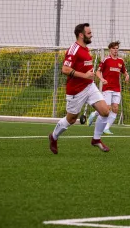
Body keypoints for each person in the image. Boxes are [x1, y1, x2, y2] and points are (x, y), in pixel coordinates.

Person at [48, 23, 112, 154]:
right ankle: (53, 137)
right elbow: (65, 69)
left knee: (105, 111)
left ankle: (96, 139)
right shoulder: (74, 49)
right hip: (76, 91)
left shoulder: (86, 49)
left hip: (89, 86)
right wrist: (85, 75)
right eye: (89, 33)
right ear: (81, 35)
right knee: (71, 119)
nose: (91, 35)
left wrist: (90, 75)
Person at [87, 41, 130, 134]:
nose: (115, 50)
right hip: (107, 88)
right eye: (113, 48)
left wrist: (127, 75)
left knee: (115, 108)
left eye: (117, 48)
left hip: (117, 88)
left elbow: (124, 71)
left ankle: (106, 128)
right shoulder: (106, 60)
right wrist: (102, 79)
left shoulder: (121, 61)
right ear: (110, 49)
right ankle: (94, 114)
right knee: (107, 108)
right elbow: (98, 72)